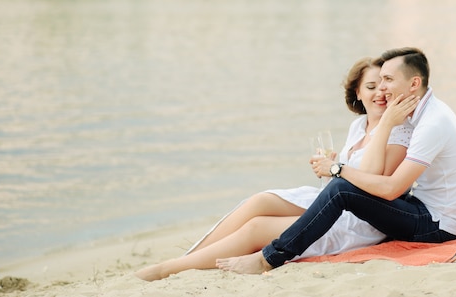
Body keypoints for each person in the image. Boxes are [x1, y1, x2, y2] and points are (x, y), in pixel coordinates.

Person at [135, 56, 413, 281]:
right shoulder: (359, 126)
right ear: (357, 92)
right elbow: (345, 172)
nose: (380, 93)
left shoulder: (397, 131)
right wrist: (329, 165)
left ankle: (170, 269)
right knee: (260, 200)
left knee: (257, 228)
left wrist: (336, 167)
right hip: (332, 201)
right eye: (371, 86)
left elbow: (370, 183)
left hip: (356, 219)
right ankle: (187, 258)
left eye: (385, 85)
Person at [215, 47, 456, 274]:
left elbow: (392, 188)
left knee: (340, 189)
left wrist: (338, 169)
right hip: (428, 211)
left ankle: (269, 258)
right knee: (337, 188)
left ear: (414, 83)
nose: (382, 88)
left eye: (388, 80)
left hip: (437, 226)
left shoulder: (431, 123)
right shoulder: (424, 114)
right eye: (378, 81)